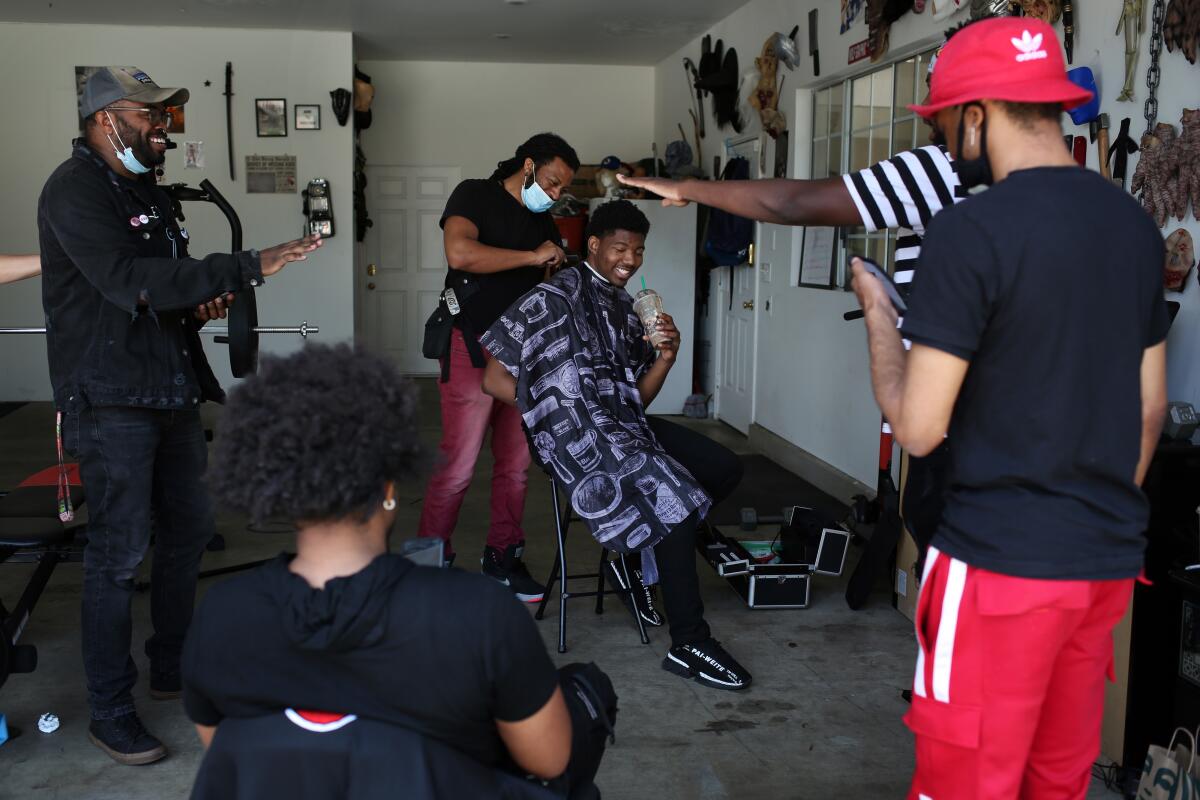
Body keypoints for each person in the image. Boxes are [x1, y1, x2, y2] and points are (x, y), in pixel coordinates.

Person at [849, 18, 1168, 798]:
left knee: (964, 782)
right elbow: (1149, 408)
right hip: (1102, 567)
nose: (948, 139)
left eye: (947, 121)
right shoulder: (1133, 227)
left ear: (979, 114)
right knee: (1054, 782)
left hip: (997, 567)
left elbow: (920, 427)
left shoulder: (972, 228)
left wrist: (881, 317)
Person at [38, 65, 321, 765]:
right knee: (117, 554)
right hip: (110, 399)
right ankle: (109, 709)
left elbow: (164, 287)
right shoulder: (73, 191)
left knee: (189, 531)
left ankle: (174, 665)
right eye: (150, 115)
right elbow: (127, 282)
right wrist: (244, 266)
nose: (162, 127)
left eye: (165, 116)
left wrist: (199, 302)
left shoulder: (148, 194)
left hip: (167, 387)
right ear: (106, 118)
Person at [184, 343, 616, 797]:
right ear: (388, 490)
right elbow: (548, 760)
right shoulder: (476, 614)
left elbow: (236, 760)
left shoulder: (222, 615)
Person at [618, 23, 978, 556]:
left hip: (961, 420)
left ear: (970, 108)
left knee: (963, 580)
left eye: (934, 101)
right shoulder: (1061, 190)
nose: (923, 113)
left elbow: (791, 202)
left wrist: (689, 187)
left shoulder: (945, 172)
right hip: (1021, 426)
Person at [481, 200, 751, 691]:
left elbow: (636, 401)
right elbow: (494, 379)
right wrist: (557, 406)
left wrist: (666, 358)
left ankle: (635, 556)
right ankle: (688, 641)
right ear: (594, 245)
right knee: (670, 496)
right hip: (573, 438)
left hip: (624, 428)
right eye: (621, 247)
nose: (631, 258)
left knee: (723, 467)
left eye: (639, 250)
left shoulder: (624, 307)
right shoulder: (550, 297)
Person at [418, 133, 580, 603]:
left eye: (559, 190)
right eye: (550, 182)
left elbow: (543, 286)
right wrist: (533, 256)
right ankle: (428, 563)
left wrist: (555, 267)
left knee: (515, 465)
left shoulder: (543, 221)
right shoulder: (475, 194)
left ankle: (503, 559)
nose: (552, 194)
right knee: (458, 464)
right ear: (528, 164)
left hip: (521, 356)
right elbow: (460, 254)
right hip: (469, 341)